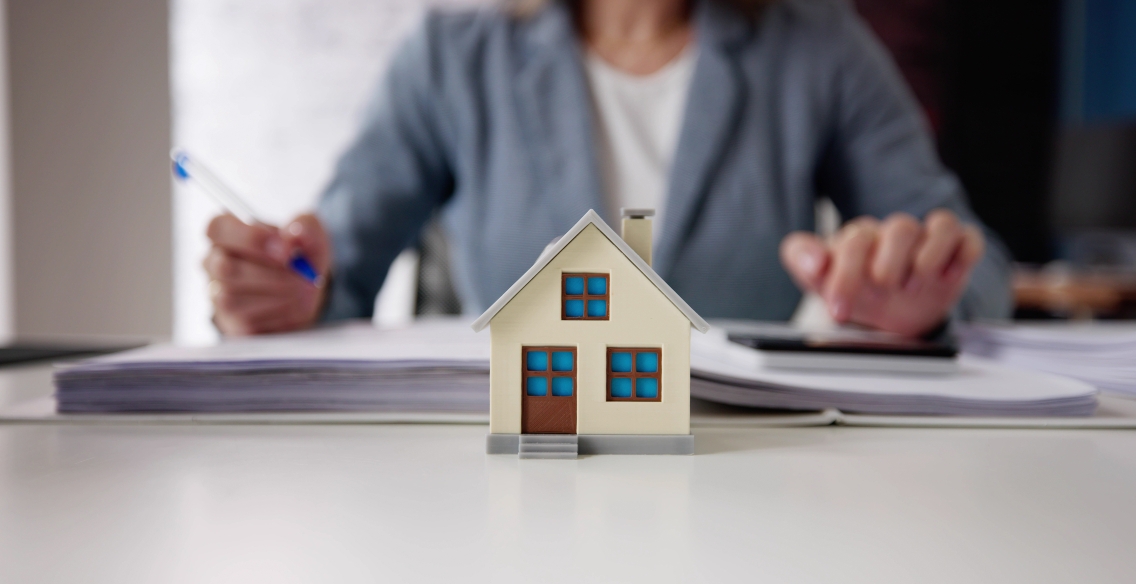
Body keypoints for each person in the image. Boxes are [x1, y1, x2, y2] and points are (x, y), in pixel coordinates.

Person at [203, 0, 1011, 338]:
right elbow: (330, 274)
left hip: (754, 489)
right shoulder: (451, 58)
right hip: (510, 477)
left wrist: (925, 297)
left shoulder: (821, 47)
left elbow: (980, 274)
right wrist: (289, 292)